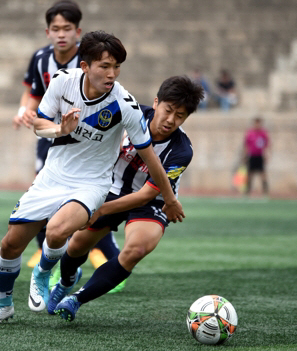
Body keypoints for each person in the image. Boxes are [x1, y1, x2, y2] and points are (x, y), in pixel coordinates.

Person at [0, 30, 185, 325]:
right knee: (10, 244)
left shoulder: (125, 104)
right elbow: (38, 123)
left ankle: (43, 273)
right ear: (85, 66)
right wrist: (59, 130)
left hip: (92, 183)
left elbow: (151, 159)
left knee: (58, 231)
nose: (112, 73)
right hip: (53, 176)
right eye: (105, 66)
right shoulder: (63, 82)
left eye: (116, 67)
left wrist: (172, 199)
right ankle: (2, 305)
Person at [48, 75, 204, 321]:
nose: (171, 120)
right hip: (108, 187)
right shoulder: (129, 113)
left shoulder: (182, 151)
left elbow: (145, 195)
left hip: (151, 202)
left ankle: (76, 299)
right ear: (156, 102)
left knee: (136, 249)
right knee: (77, 245)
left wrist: (99, 211)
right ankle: (67, 281)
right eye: (169, 110)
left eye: (180, 116)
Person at [11, 0, 121, 279]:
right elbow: (33, 94)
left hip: (88, 139)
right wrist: (24, 110)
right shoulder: (40, 58)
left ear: (77, 31)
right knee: (44, 190)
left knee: (86, 199)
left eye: (67, 28)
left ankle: (105, 253)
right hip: (52, 134)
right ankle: (45, 250)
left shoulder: (90, 61)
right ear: (47, 32)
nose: (61, 34)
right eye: (55, 28)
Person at [244, 117, 270, 195]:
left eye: (259, 123)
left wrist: (267, 155)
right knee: (250, 173)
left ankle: (265, 189)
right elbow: (246, 145)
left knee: (262, 173)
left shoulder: (263, 133)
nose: (257, 125)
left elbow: (267, 145)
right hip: (252, 155)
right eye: (256, 123)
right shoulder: (250, 133)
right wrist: (245, 156)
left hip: (260, 156)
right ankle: (247, 189)